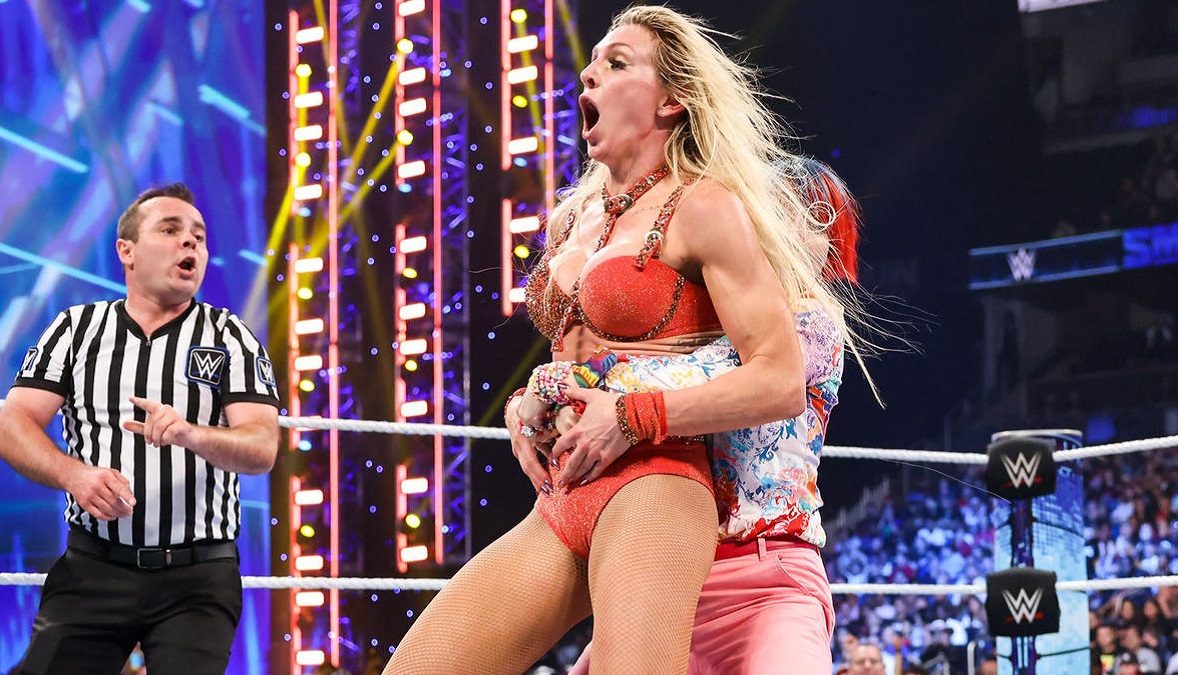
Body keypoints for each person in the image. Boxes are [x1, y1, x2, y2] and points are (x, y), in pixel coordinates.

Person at [385, 6, 851, 675]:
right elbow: (573, 361)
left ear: (670, 99)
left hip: (658, 482)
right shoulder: (573, 221)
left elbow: (779, 379)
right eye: (592, 60)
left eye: (618, 62)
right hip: (567, 496)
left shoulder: (705, 205)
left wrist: (632, 416)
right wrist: (529, 405)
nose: (589, 73)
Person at [539, 155, 859, 675]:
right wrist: (541, 392)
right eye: (759, 213)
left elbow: (691, 375)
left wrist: (555, 385)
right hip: (666, 577)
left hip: (767, 581)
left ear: (823, 231)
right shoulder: (714, 318)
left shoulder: (814, 322)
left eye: (791, 213)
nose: (769, 229)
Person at [0, 183, 280, 675]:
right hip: (94, 567)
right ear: (126, 251)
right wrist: (74, 475)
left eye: (198, 236)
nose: (189, 242)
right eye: (170, 230)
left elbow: (262, 446)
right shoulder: (76, 330)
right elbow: (12, 422)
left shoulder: (230, 337)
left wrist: (191, 434)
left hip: (198, 576)